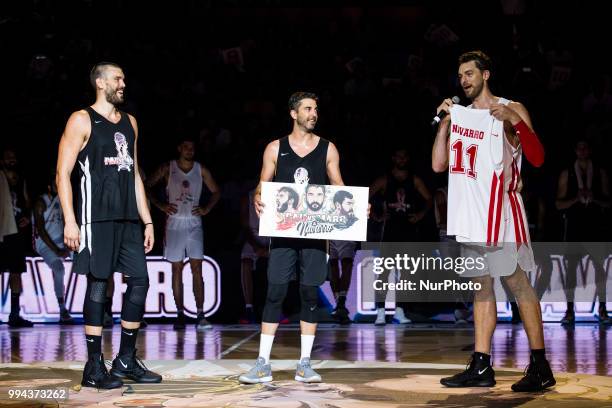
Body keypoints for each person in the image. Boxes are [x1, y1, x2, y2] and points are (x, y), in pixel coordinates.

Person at [432, 50, 554, 392]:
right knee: (481, 289)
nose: (463, 80)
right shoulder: (461, 116)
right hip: (469, 215)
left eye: (469, 74)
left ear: (486, 74)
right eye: (460, 76)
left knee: (517, 284)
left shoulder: (509, 108)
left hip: (500, 213)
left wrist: (514, 122)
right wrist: (444, 126)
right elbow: (439, 166)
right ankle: (482, 364)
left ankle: (540, 365)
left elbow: (538, 157)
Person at [57, 62, 161, 389]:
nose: (123, 84)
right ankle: (93, 367)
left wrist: (147, 219)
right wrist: (70, 221)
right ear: (101, 83)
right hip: (95, 219)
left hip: (129, 219)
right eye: (118, 78)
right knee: (99, 286)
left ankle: (126, 359)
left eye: (124, 78)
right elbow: (62, 174)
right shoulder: (80, 119)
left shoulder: (131, 123)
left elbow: (135, 176)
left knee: (141, 281)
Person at [239, 92, 345, 384]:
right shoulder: (275, 148)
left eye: (316, 108)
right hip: (283, 234)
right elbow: (262, 185)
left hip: (314, 235)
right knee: (274, 292)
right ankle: (262, 363)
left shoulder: (327, 148)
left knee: (309, 294)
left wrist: (357, 207)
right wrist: (259, 198)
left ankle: (305, 364)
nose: (314, 113)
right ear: (293, 113)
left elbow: (339, 188)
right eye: (308, 109)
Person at [146, 137, 220, 330]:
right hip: (174, 223)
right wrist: (161, 205)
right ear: (179, 148)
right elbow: (145, 186)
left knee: (197, 268)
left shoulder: (200, 169)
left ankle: (201, 314)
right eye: (186, 147)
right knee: (176, 269)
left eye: (192, 147)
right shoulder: (167, 168)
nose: (189, 150)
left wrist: (206, 209)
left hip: (194, 222)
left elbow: (216, 192)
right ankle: (179, 314)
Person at [369, 148, 432, 325]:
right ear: (393, 158)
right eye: (399, 156)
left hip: (408, 231)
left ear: (407, 159)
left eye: (404, 156)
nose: (402, 159)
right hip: (390, 230)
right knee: (384, 272)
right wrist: (376, 216)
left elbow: (429, 199)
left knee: (405, 274)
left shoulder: (414, 179)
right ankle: (380, 311)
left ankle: (399, 310)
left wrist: (420, 215)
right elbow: (366, 195)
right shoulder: (385, 178)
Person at [555, 139, 610, 325]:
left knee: (600, 270)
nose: (583, 151)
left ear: (590, 150)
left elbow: (608, 202)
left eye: (586, 147)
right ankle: (569, 311)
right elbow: (558, 204)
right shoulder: (567, 173)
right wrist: (575, 200)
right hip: (574, 226)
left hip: (595, 226)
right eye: (580, 147)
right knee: (571, 271)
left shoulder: (599, 173)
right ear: (575, 151)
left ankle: (602, 309)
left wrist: (594, 199)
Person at [32, 171, 73, 324]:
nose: (59, 186)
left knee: (86, 259)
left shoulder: (63, 199)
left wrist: (68, 244)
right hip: (44, 244)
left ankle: (97, 307)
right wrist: (57, 250)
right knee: (59, 269)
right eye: (56, 184)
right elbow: (41, 230)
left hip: (61, 241)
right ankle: (62, 310)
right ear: (50, 187)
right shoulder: (40, 202)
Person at [0, 147, 34, 327]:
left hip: (16, 231)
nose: (11, 159)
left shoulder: (21, 179)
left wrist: (27, 216)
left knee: (16, 272)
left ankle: (14, 314)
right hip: (2, 229)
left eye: (13, 156)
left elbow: (27, 200)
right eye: (8, 156)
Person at [239, 189, 270, 324]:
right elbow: (245, 227)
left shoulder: (278, 194)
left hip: (271, 238)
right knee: (245, 262)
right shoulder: (248, 196)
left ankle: (275, 308)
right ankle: (249, 308)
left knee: (280, 262)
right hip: (253, 238)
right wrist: (257, 246)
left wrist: (269, 248)